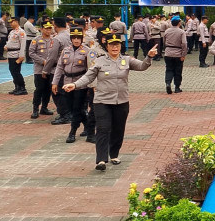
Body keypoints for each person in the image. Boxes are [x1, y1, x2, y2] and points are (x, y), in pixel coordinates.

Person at [62, 35, 157, 171]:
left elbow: (142, 66)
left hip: (121, 101)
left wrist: (149, 56)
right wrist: (75, 85)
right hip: (102, 101)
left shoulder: (126, 60)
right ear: (107, 46)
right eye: (112, 45)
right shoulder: (99, 61)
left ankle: (114, 154)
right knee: (103, 128)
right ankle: (101, 159)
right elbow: (88, 77)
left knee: (118, 130)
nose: (114, 47)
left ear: (120, 46)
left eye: (117, 44)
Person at [52, 28, 94, 143]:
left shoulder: (87, 51)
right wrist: (55, 82)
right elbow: (60, 67)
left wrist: (90, 86)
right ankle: (87, 125)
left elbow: (90, 70)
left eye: (78, 38)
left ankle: (72, 132)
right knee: (71, 108)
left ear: (82, 38)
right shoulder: (66, 50)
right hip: (67, 83)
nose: (76, 40)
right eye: (74, 38)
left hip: (81, 84)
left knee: (76, 109)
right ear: (71, 39)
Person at [44, 17, 73, 124]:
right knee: (68, 92)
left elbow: (51, 57)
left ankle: (64, 115)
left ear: (55, 26)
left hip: (58, 69)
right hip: (70, 68)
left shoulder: (57, 39)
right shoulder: (71, 35)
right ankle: (70, 113)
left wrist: (45, 71)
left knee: (57, 92)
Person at [28, 21, 56, 118]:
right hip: (39, 69)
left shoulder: (54, 40)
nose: (48, 30)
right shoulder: (36, 40)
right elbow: (31, 53)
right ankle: (35, 109)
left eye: (50, 28)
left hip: (51, 70)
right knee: (39, 89)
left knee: (48, 89)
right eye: (46, 28)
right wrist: (42, 61)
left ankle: (44, 107)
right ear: (41, 29)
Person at [163, 15, 187, 94]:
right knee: (178, 70)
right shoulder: (181, 32)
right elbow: (184, 43)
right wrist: (183, 54)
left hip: (168, 53)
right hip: (178, 53)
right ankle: (177, 87)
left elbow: (164, 41)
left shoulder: (167, 31)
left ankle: (168, 83)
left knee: (169, 69)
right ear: (179, 23)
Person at [4, 17, 27, 96]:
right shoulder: (12, 32)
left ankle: (22, 88)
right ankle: (17, 86)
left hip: (16, 54)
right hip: (10, 54)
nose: (10, 23)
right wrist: (6, 46)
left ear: (17, 22)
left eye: (12, 22)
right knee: (12, 71)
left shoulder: (21, 32)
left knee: (16, 72)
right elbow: (10, 41)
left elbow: (23, 44)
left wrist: (21, 56)